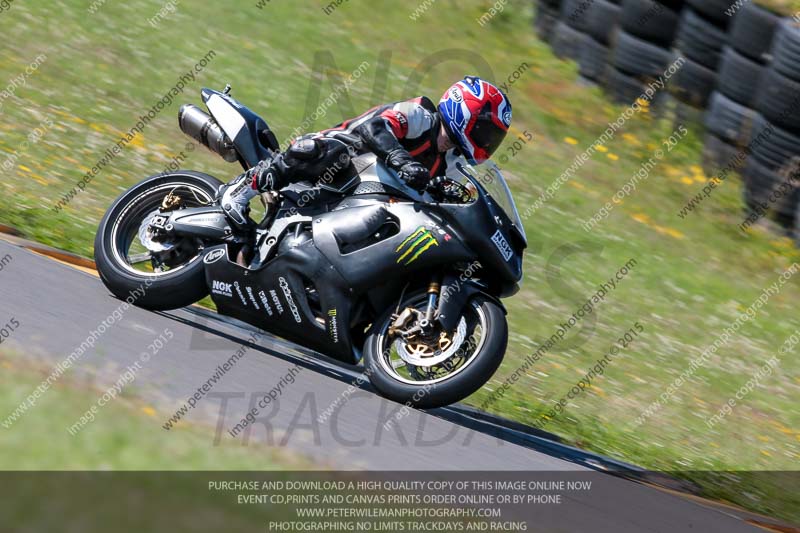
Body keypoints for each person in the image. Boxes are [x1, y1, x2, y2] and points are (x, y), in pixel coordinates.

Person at [219, 75, 512, 227]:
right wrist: (402, 161)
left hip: (365, 199)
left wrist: (443, 193)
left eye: (493, 137)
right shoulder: (420, 114)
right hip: (339, 157)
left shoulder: (451, 163)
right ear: (464, 112)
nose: (487, 141)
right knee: (331, 153)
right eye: (487, 131)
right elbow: (374, 129)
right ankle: (246, 187)